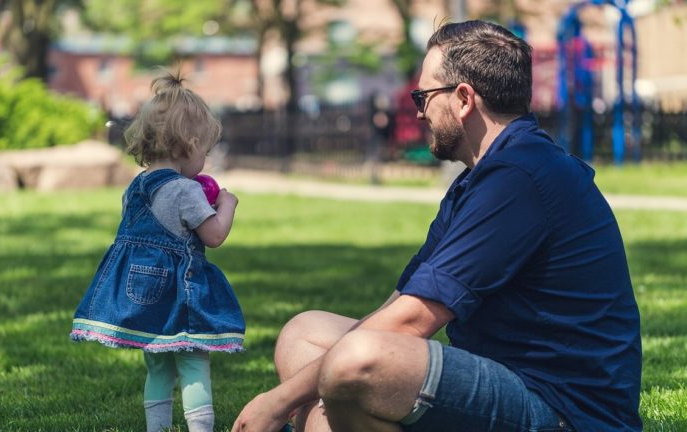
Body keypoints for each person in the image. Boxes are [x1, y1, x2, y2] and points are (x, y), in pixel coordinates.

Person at [232, 20, 642, 432]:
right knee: (303, 334)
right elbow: (400, 305)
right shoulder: (482, 177)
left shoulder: (521, 176)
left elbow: (413, 322)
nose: (418, 110)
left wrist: (279, 402)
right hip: (507, 378)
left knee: (357, 360)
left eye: (423, 95)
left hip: (563, 410)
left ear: (463, 98)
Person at [70, 71, 244, 432]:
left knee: (159, 364)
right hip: (179, 295)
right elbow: (213, 236)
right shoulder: (185, 190)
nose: (205, 162)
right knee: (194, 361)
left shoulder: (136, 186)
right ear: (187, 145)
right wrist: (227, 203)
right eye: (205, 152)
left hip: (144, 295)